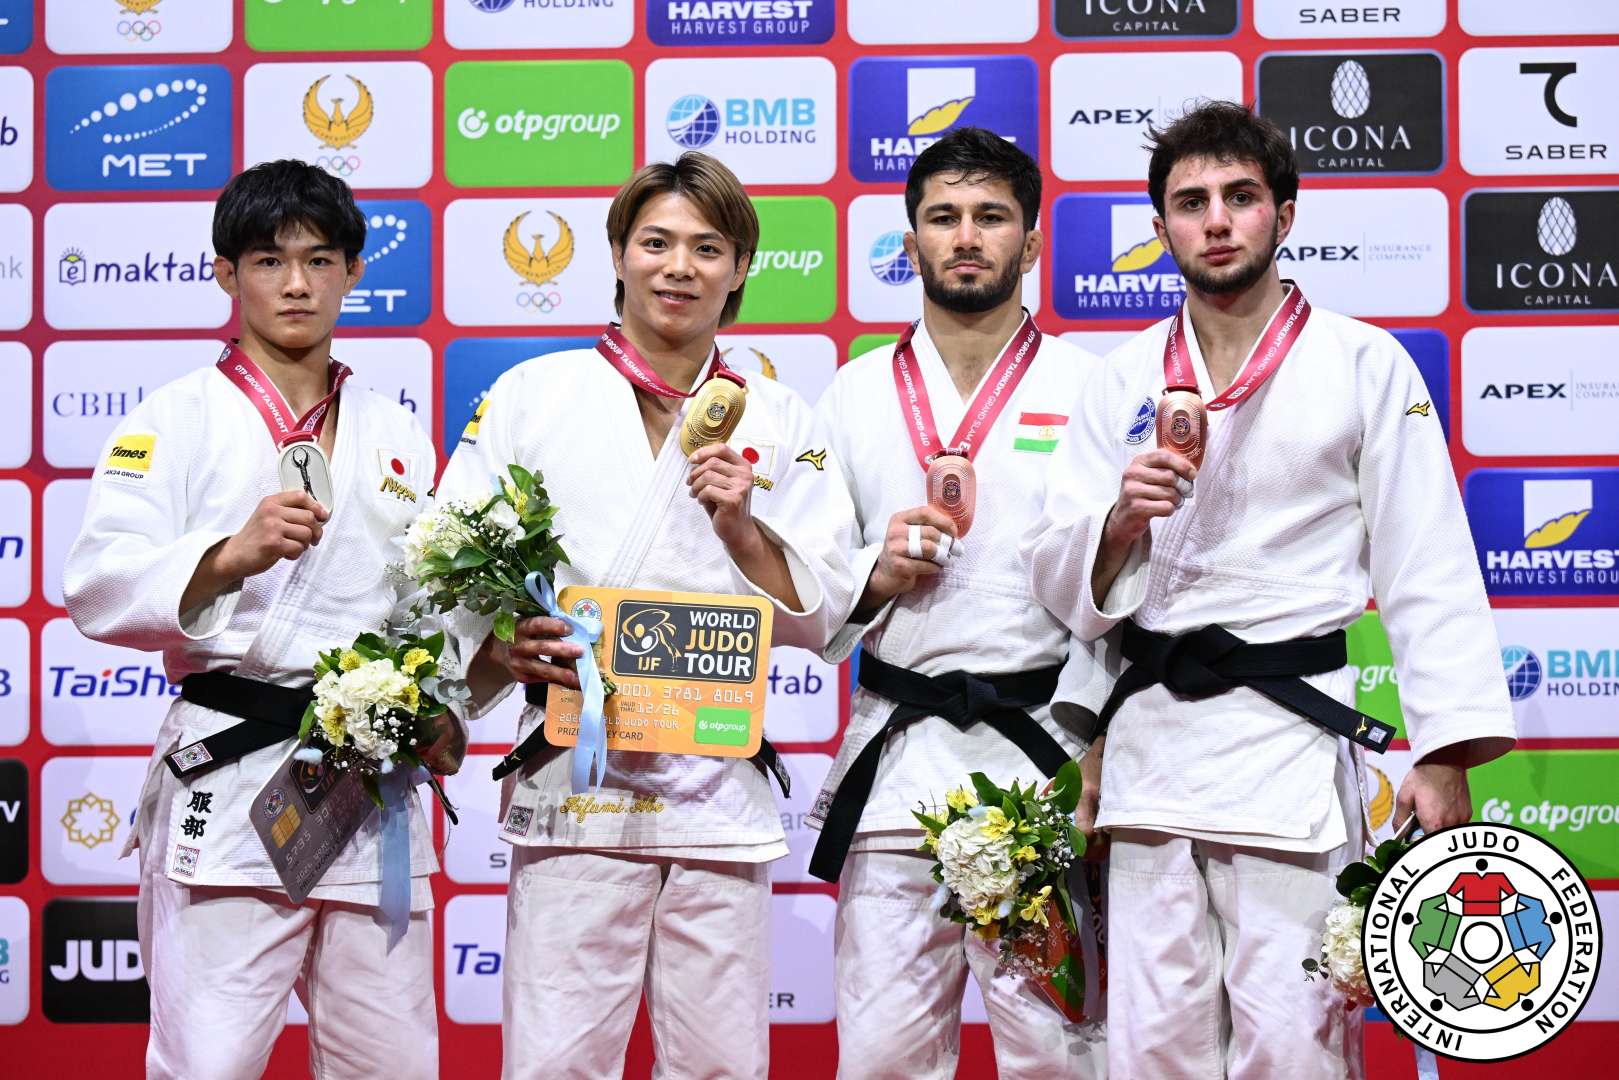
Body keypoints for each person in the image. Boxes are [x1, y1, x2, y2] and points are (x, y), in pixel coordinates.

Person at [1024, 101, 1516, 1078]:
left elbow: (1427, 564)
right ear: (1159, 225)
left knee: (1295, 1050)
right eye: (1189, 201)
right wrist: (1118, 522)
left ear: (1282, 215)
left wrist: (1445, 751)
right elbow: (1054, 576)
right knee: (1151, 1053)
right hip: (1150, 760)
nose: (1214, 219)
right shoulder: (1116, 379)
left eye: (1238, 197)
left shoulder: (1362, 363)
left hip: (1288, 755)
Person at [437, 151, 857, 1080]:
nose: (680, 267)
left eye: (707, 248)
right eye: (656, 242)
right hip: (578, 783)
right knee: (555, 1063)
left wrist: (744, 531)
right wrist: (510, 644)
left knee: (721, 1067)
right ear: (618, 254)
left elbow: (825, 617)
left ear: (741, 268)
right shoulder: (531, 396)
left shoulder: (780, 416)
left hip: (718, 783)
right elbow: (452, 567)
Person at [63, 159, 458, 1080]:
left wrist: (442, 708)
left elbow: (429, 607)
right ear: (224, 273)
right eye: (268, 260)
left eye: (320, 260)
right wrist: (227, 556)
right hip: (235, 777)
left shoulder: (395, 431)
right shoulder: (172, 420)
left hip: (370, 782)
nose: (295, 284)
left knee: (390, 1062)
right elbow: (96, 584)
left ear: (354, 273)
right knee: (210, 1061)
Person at [804, 127, 1108, 1079]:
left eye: (989, 217)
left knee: (1061, 1053)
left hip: (1045, 762)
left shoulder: (1096, 387)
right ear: (909, 242)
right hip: (895, 762)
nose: (965, 237)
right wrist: (871, 574)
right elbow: (805, 594)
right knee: (884, 1056)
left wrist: (1100, 745)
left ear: (1032, 240)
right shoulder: (850, 396)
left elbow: (1130, 591)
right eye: (942, 218)